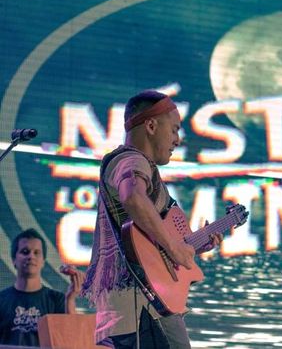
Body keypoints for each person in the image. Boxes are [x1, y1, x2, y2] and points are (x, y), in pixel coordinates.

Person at [81, 90, 222, 349]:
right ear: (151, 125)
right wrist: (174, 247)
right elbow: (132, 196)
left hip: (133, 308)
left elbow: (145, 245)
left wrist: (192, 245)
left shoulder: (138, 164)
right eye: (174, 130)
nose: (177, 140)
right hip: (143, 307)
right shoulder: (131, 160)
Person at [0, 228, 83, 347]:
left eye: (36, 252)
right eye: (25, 251)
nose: (31, 256)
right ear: (14, 260)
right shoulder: (1, 300)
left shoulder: (58, 300)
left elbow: (73, 341)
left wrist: (70, 300)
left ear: (43, 261)